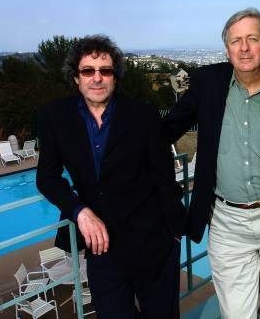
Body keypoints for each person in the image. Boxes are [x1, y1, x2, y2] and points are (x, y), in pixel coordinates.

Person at [164, 8, 260, 318]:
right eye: (236, 40)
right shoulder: (208, 83)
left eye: (252, 38)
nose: (244, 48)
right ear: (227, 48)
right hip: (227, 223)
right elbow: (166, 129)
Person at [36, 35, 186, 319]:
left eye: (105, 71)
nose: (97, 78)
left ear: (115, 77)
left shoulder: (143, 115)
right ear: (75, 78)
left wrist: (173, 236)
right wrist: (80, 212)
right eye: (88, 71)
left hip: (153, 245)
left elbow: (165, 179)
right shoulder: (55, 117)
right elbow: (47, 177)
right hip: (101, 250)